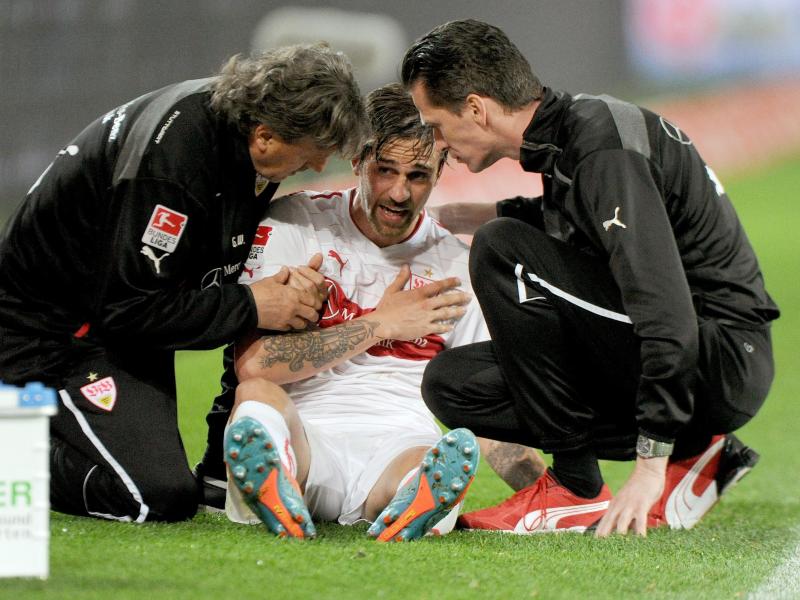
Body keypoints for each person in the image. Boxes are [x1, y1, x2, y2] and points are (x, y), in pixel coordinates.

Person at [400, 19, 779, 536]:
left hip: (718, 357)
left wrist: (649, 467)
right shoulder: (577, 135)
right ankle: (699, 451)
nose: (437, 143)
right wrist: (463, 215)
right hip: (698, 355)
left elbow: (663, 309)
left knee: (502, 249)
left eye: (436, 125)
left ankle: (577, 486)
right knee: (457, 386)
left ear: (475, 108)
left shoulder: (602, 151)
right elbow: (580, 223)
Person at [0, 43, 367, 523]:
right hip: (51, 334)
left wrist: (267, 294)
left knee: (283, 294)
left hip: (114, 325)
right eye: (313, 154)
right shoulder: (175, 167)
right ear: (266, 136)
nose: (319, 167)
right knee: (156, 495)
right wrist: (253, 304)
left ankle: (220, 465)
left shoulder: (238, 137)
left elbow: (207, 283)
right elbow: (128, 309)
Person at [221, 83, 526, 541]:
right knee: (258, 399)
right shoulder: (295, 225)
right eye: (386, 170)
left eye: (418, 176)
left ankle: (415, 497)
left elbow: (483, 406)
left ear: (441, 170)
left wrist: (551, 489)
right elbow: (256, 365)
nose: (400, 192)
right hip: (306, 430)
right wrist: (381, 324)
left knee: (431, 459)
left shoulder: (457, 264)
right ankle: (278, 483)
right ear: (359, 161)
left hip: (399, 438)